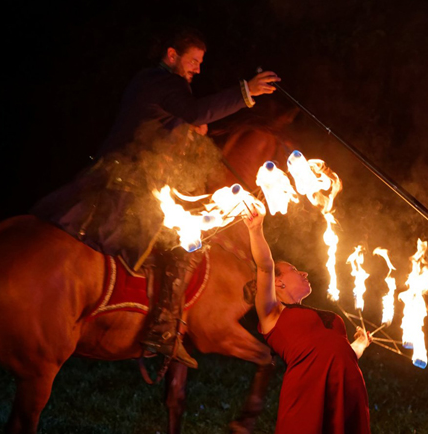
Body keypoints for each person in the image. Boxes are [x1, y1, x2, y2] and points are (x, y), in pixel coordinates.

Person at [32, 28, 280, 368]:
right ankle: (163, 331)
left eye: (200, 62)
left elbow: (171, 122)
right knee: (183, 244)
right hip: (130, 185)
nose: (197, 69)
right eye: (193, 61)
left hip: (118, 175)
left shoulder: (148, 83)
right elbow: (194, 112)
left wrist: (191, 132)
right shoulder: (165, 83)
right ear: (171, 55)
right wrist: (245, 92)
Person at [243, 201, 380, 434]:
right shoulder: (273, 314)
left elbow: (340, 355)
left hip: (346, 394)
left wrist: (360, 345)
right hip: (305, 401)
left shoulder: (331, 318)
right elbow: (264, 264)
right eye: (295, 270)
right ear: (278, 284)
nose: (305, 272)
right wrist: (256, 230)